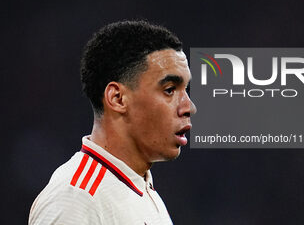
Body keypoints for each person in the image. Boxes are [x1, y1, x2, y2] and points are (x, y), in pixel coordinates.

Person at [28, 20, 196, 224]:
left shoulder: (143, 190)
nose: (189, 107)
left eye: (185, 90)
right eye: (169, 90)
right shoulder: (76, 200)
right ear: (117, 98)